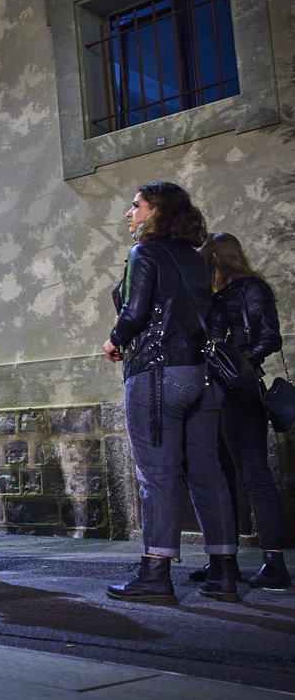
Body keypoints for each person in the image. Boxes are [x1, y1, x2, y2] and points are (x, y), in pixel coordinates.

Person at [103, 182, 237, 604]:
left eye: (136, 205)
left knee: (156, 477)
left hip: (157, 375)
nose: (130, 212)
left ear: (156, 212)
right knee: (207, 473)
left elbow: (136, 310)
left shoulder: (144, 253)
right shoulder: (197, 261)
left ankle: (156, 574)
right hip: (200, 375)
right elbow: (209, 315)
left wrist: (114, 340)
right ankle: (224, 571)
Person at [193, 232, 287, 588]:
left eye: (207, 264)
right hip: (213, 392)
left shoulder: (252, 288)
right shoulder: (217, 296)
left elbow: (269, 337)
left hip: (241, 392)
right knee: (218, 477)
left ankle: (275, 563)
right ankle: (223, 559)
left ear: (216, 259)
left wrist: (236, 365)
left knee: (255, 475)